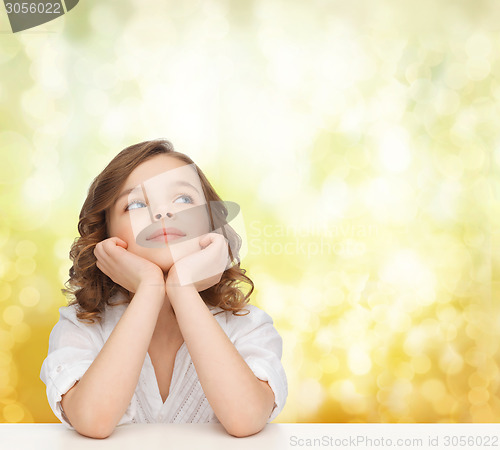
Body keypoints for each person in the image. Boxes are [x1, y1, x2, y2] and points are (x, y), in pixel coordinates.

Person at [40, 139, 288, 439]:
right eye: (136, 204)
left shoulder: (246, 326)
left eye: (183, 199)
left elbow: (246, 419)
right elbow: (92, 421)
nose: (162, 214)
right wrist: (149, 287)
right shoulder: (81, 326)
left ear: (211, 224)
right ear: (106, 236)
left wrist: (182, 288)